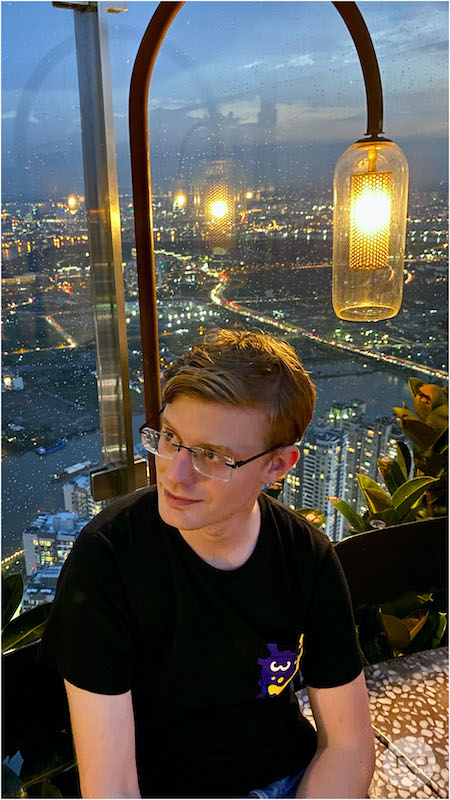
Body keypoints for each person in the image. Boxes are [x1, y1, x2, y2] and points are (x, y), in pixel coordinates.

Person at [37, 328, 375, 799]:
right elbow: (111, 784)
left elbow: (348, 744)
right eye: (171, 438)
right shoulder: (109, 557)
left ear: (278, 465)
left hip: (290, 778)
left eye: (212, 456)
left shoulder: (305, 555)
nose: (175, 474)